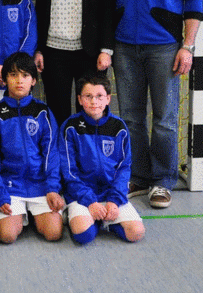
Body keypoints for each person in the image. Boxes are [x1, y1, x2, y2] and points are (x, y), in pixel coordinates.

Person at [106, 0, 203, 208]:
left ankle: (163, 180)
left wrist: (187, 46)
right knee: (131, 116)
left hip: (163, 45)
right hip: (124, 45)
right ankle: (140, 175)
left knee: (163, 117)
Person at [0, 52, 64, 244]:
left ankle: (36, 215)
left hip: (40, 185)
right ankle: (18, 217)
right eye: (13, 75)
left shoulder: (42, 113)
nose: (19, 81)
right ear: (4, 79)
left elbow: (51, 153)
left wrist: (52, 188)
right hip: (10, 186)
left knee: (54, 234)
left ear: (34, 81)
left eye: (25, 75)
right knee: (7, 236)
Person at [60, 74, 145, 244]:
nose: (94, 101)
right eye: (88, 96)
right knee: (83, 235)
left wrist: (114, 201)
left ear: (108, 99)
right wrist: (90, 202)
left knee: (136, 233)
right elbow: (69, 172)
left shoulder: (119, 127)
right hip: (82, 194)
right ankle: (92, 219)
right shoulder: (71, 127)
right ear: (79, 99)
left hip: (110, 193)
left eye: (99, 96)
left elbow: (124, 167)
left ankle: (107, 220)